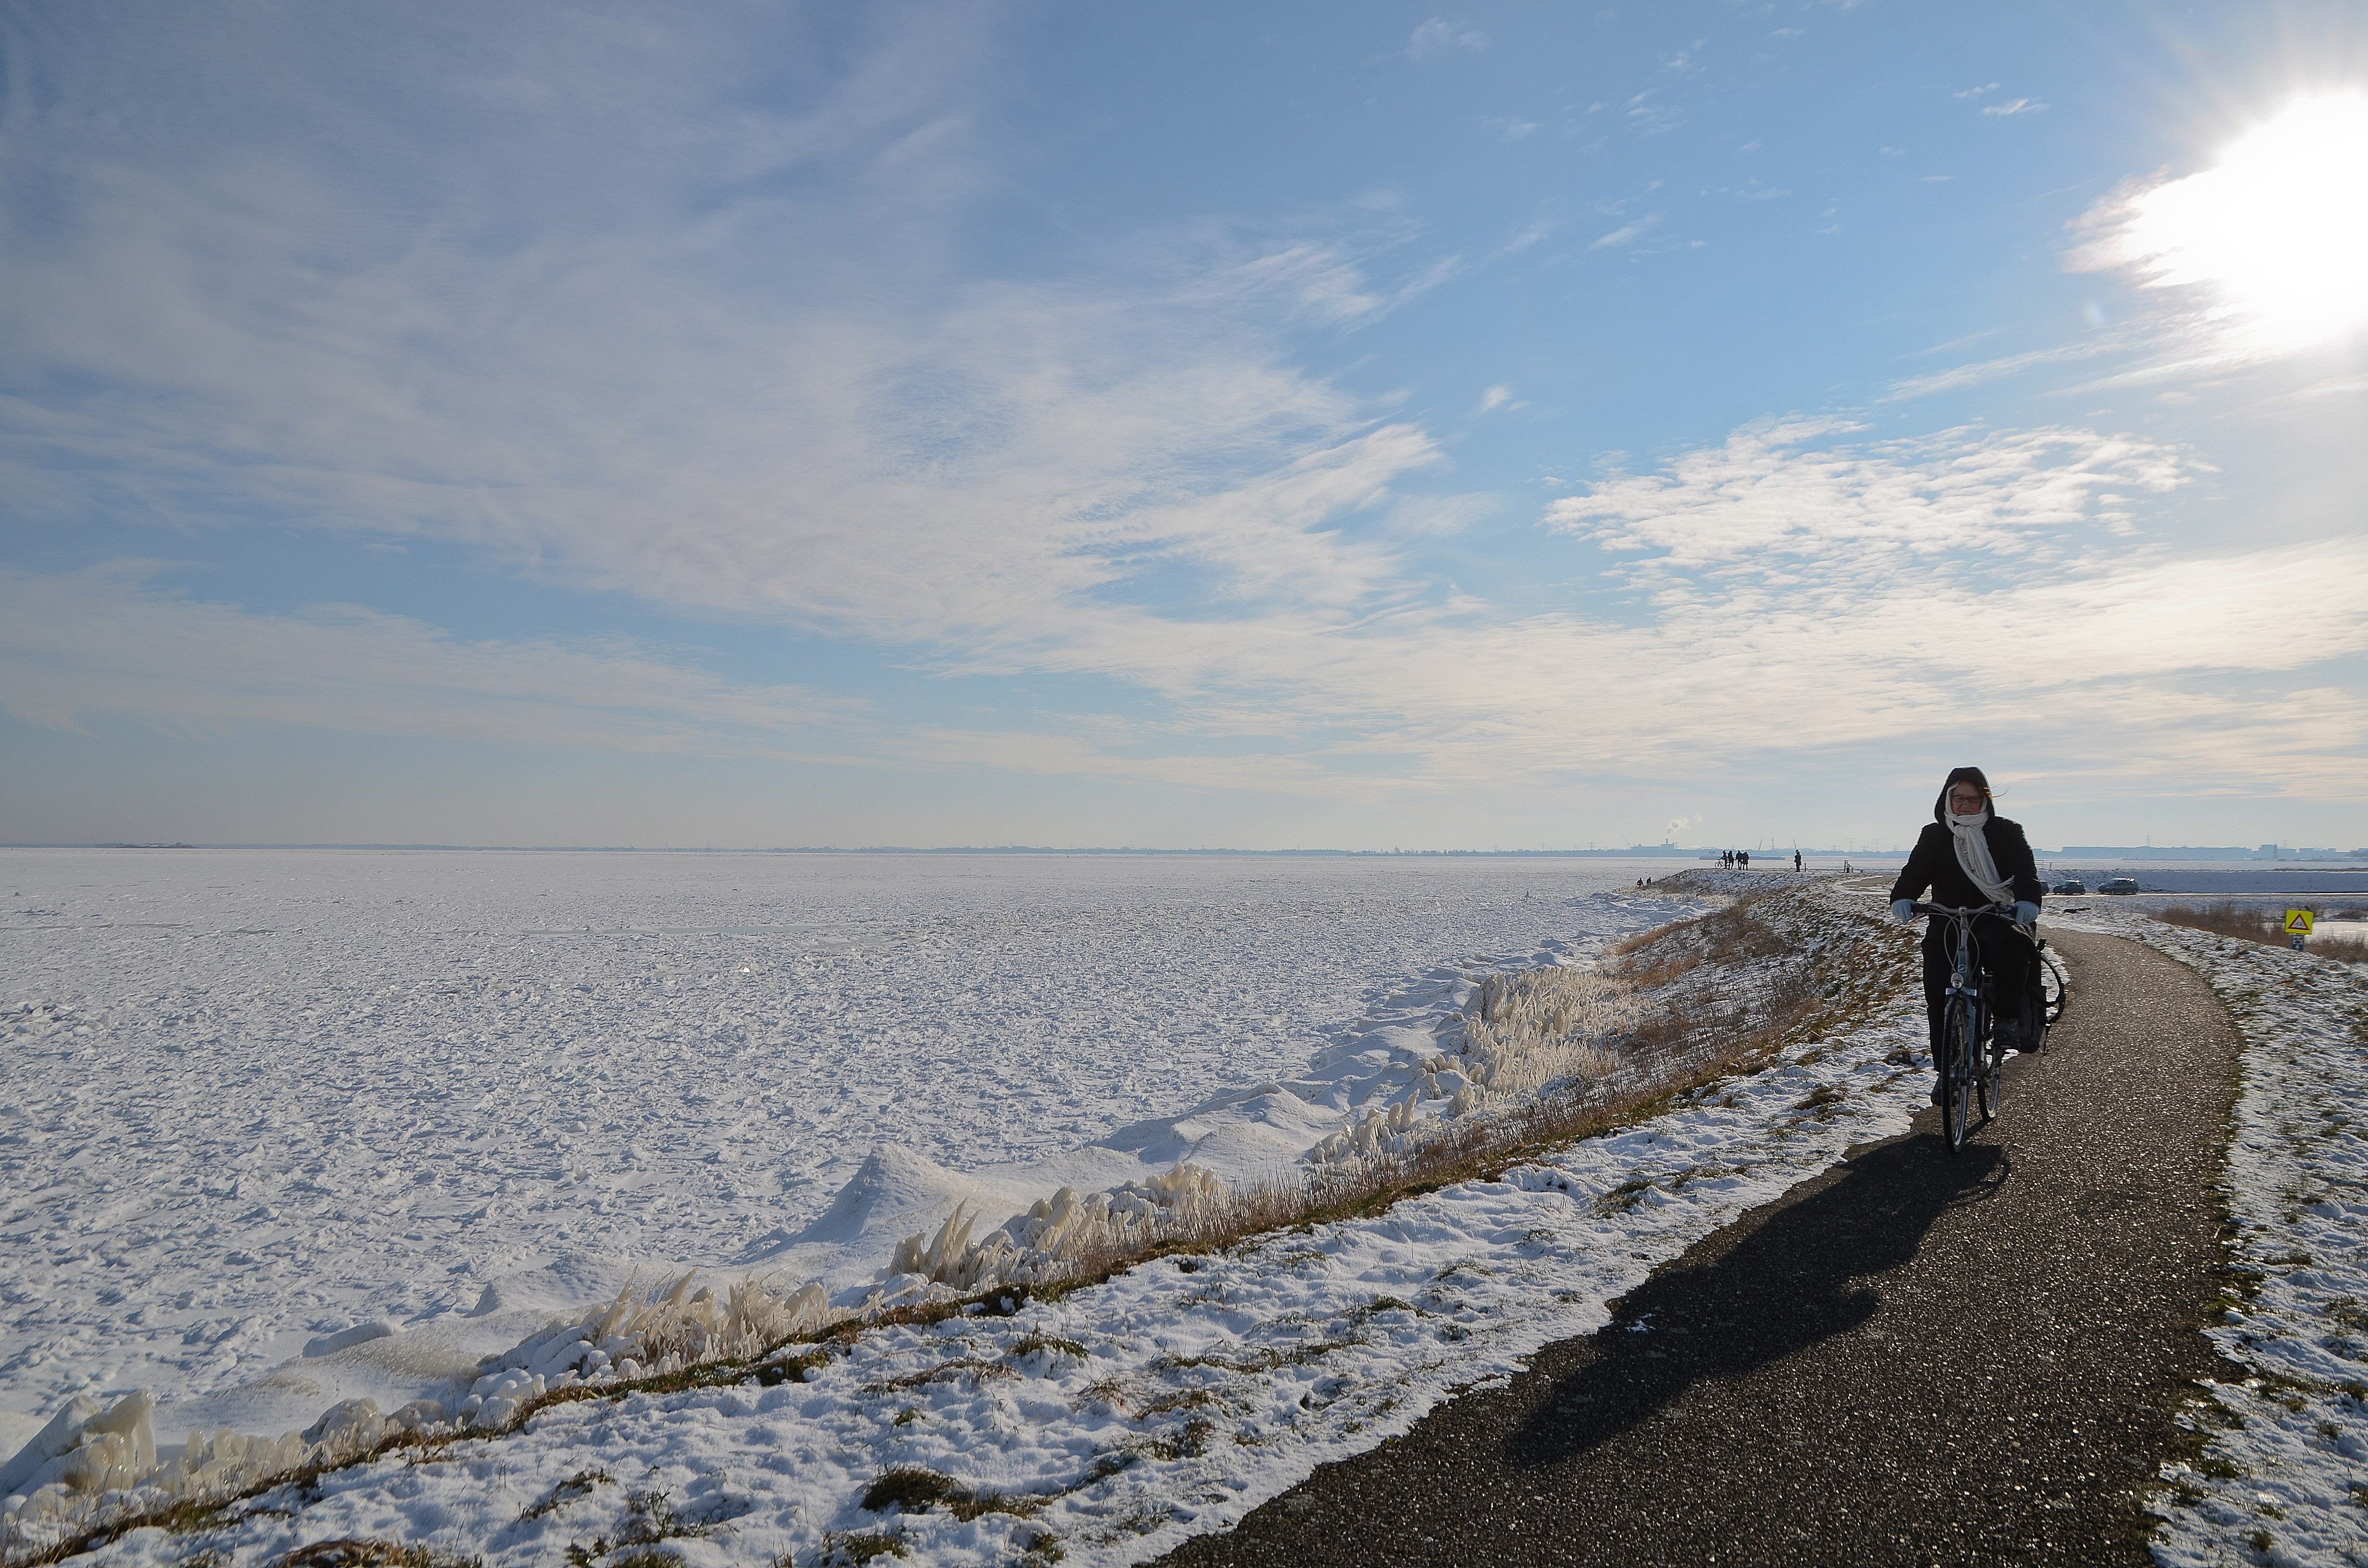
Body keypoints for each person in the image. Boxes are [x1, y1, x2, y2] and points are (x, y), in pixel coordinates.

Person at [1889, 766, 2044, 1105]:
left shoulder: (2006, 832)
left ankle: (2006, 1019)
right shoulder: (1935, 835)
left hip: (1995, 915)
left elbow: (2026, 873)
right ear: (1947, 799)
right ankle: (1946, 1071)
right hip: (1948, 920)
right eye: (1959, 798)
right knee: (1938, 991)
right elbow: (1915, 872)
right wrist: (1903, 897)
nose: (1966, 805)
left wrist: (2028, 902)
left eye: (1974, 799)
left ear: (1985, 801)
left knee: (2012, 947)